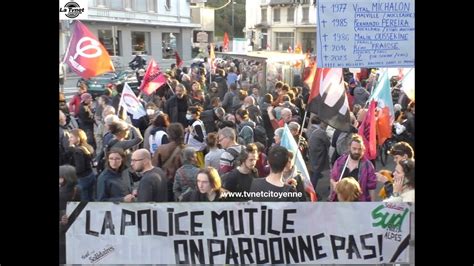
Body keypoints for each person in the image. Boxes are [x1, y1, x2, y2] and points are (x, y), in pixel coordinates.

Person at [329, 134, 377, 201]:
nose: (357, 152)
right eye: (354, 149)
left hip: (359, 204)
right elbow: (332, 178)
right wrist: (334, 185)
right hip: (340, 202)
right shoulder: (340, 162)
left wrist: (371, 206)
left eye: (359, 149)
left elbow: (371, 188)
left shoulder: (368, 166)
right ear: (349, 147)